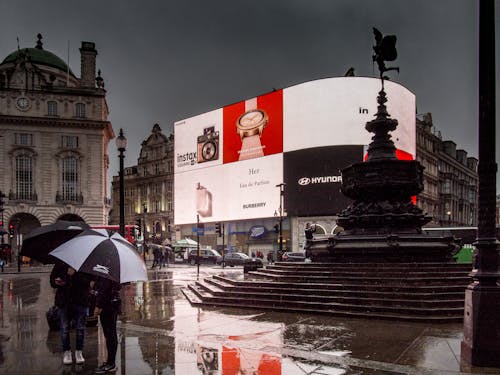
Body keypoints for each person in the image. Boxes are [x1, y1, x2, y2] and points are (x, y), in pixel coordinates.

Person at [50, 261, 93, 365]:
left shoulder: (85, 264)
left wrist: (75, 274)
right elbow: (52, 281)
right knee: (64, 328)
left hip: (80, 300)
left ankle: (79, 351)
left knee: (80, 328)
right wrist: (58, 281)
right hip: (64, 301)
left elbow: (89, 282)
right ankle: (67, 352)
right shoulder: (60, 263)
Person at [93, 276, 121, 374]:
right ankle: (110, 362)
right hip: (111, 305)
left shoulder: (107, 272)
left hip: (108, 307)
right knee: (110, 335)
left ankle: (111, 363)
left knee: (110, 335)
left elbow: (104, 289)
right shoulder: (111, 272)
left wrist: (98, 306)